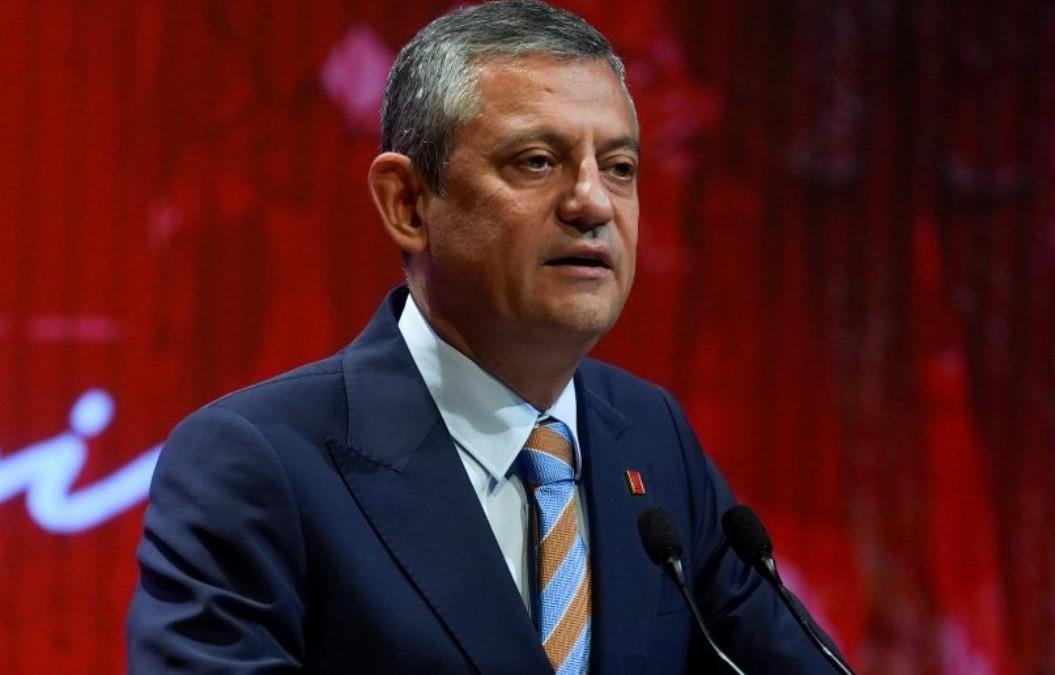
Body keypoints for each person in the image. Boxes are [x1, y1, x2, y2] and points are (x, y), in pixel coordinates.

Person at [126, 2, 841, 672]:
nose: (592, 201)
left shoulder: (652, 434)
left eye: (619, 168)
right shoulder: (255, 464)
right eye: (536, 161)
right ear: (408, 203)